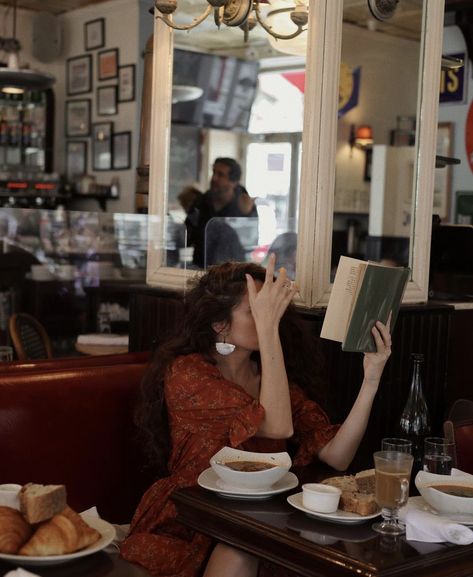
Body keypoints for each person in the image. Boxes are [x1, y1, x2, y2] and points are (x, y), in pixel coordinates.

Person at [120, 255, 392, 577]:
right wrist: (268, 330)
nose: (270, 318)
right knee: (240, 551)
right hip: (194, 513)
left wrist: (372, 377)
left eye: (270, 310)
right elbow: (277, 426)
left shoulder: (270, 378)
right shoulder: (188, 373)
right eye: (256, 311)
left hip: (262, 513)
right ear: (219, 324)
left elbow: (338, 456)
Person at [185, 158, 258, 268]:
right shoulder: (201, 202)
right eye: (214, 172)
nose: (214, 178)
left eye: (220, 175)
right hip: (202, 271)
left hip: (233, 273)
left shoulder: (244, 204)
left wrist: (247, 215)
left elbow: (252, 244)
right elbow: (187, 239)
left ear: (233, 182)